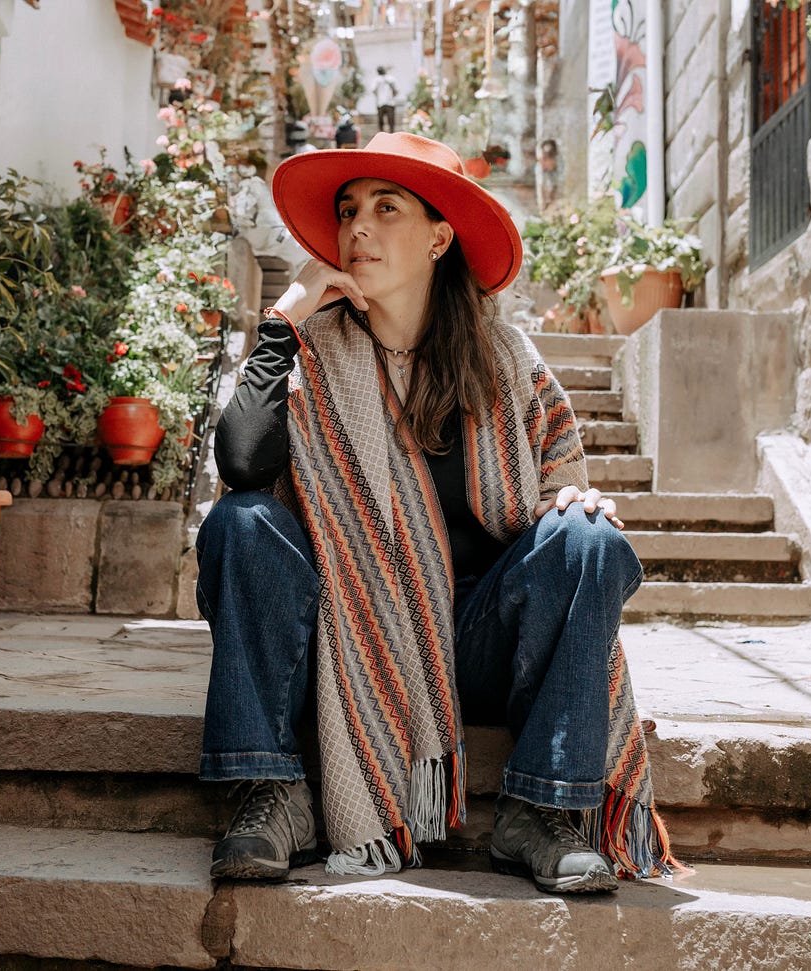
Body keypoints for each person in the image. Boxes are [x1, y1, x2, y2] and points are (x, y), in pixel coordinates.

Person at [195, 132, 680, 894]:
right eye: (349, 208)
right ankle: (273, 793)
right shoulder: (313, 353)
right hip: (348, 634)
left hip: (479, 642)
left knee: (590, 539)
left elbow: (560, 486)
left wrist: (573, 506)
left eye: (387, 207)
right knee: (239, 522)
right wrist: (284, 318)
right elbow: (243, 462)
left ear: (438, 236)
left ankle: (540, 809)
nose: (358, 226)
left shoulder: (508, 360)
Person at [372, 66, 399, 133]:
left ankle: (389, 132)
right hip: (383, 102)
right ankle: (383, 132)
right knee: (382, 120)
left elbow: (373, 91)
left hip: (387, 102)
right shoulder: (377, 80)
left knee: (389, 120)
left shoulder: (390, 79)